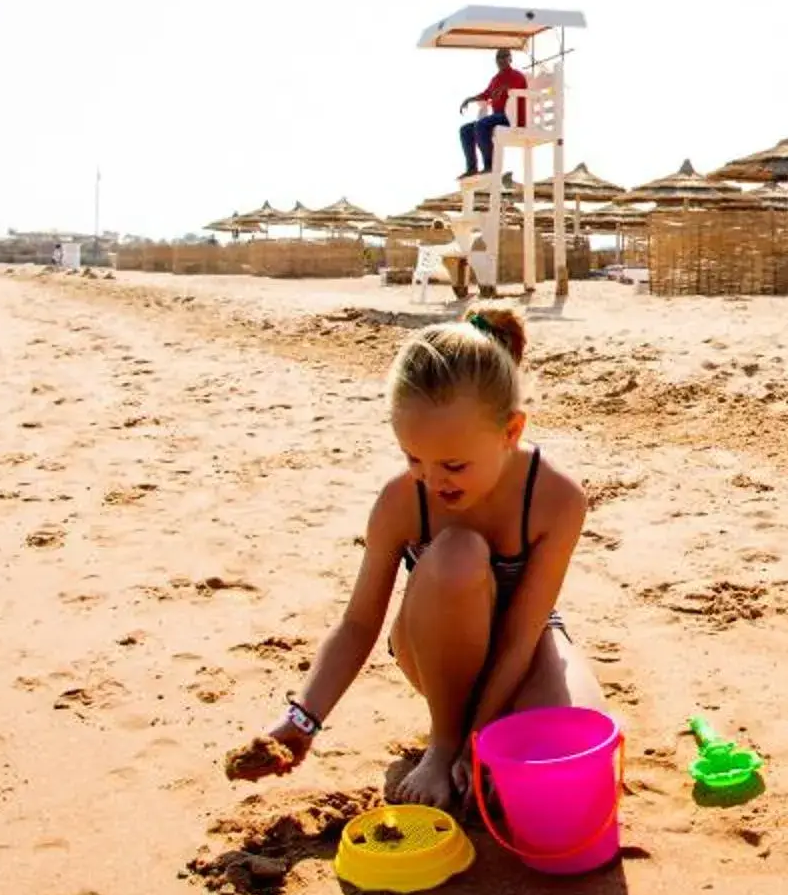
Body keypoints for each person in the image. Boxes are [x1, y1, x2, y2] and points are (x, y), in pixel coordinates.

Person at [228, 309, 600, 807]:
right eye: (412, 458)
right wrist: (302, 719)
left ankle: (480, 733)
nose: (432, 479)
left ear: (511, 432)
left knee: (573, 778)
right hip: (435, 649)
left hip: (525, 646)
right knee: (458, 554)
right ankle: (442, 739)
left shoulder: (556, 498)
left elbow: (521, 635)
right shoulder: (402, 501)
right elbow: (359, 623)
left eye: (453, 465)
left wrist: (482, 740)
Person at [458, 50, 528, 177]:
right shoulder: (495, 79)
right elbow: (486, 94)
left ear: (510, 59)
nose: (501, 60)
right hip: (498, 117)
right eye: (498, 58)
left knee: (481, 124)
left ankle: (489, 165)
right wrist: (470, 99)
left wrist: (504, 89)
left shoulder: (517, 75)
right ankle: (471, 167)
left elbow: (515, 88)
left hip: (512, 117)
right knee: (465, 130)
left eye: (504, 57)